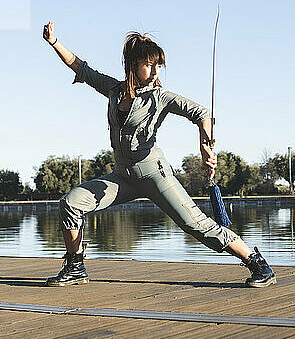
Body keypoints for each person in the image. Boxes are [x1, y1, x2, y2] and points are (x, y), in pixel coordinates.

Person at [42, 21, 275, 288]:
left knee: (196, 225)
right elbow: (81, 67)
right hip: (123, 177)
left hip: (154, 174)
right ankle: (75, 267)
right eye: (149, 64)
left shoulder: (160, 97)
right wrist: (54, 42)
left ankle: (258, 265)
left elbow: (202, 114)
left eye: (158, 66)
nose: (155, 71)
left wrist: (205, 145)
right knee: (71, 203)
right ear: (133, 65)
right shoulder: (114, 91)